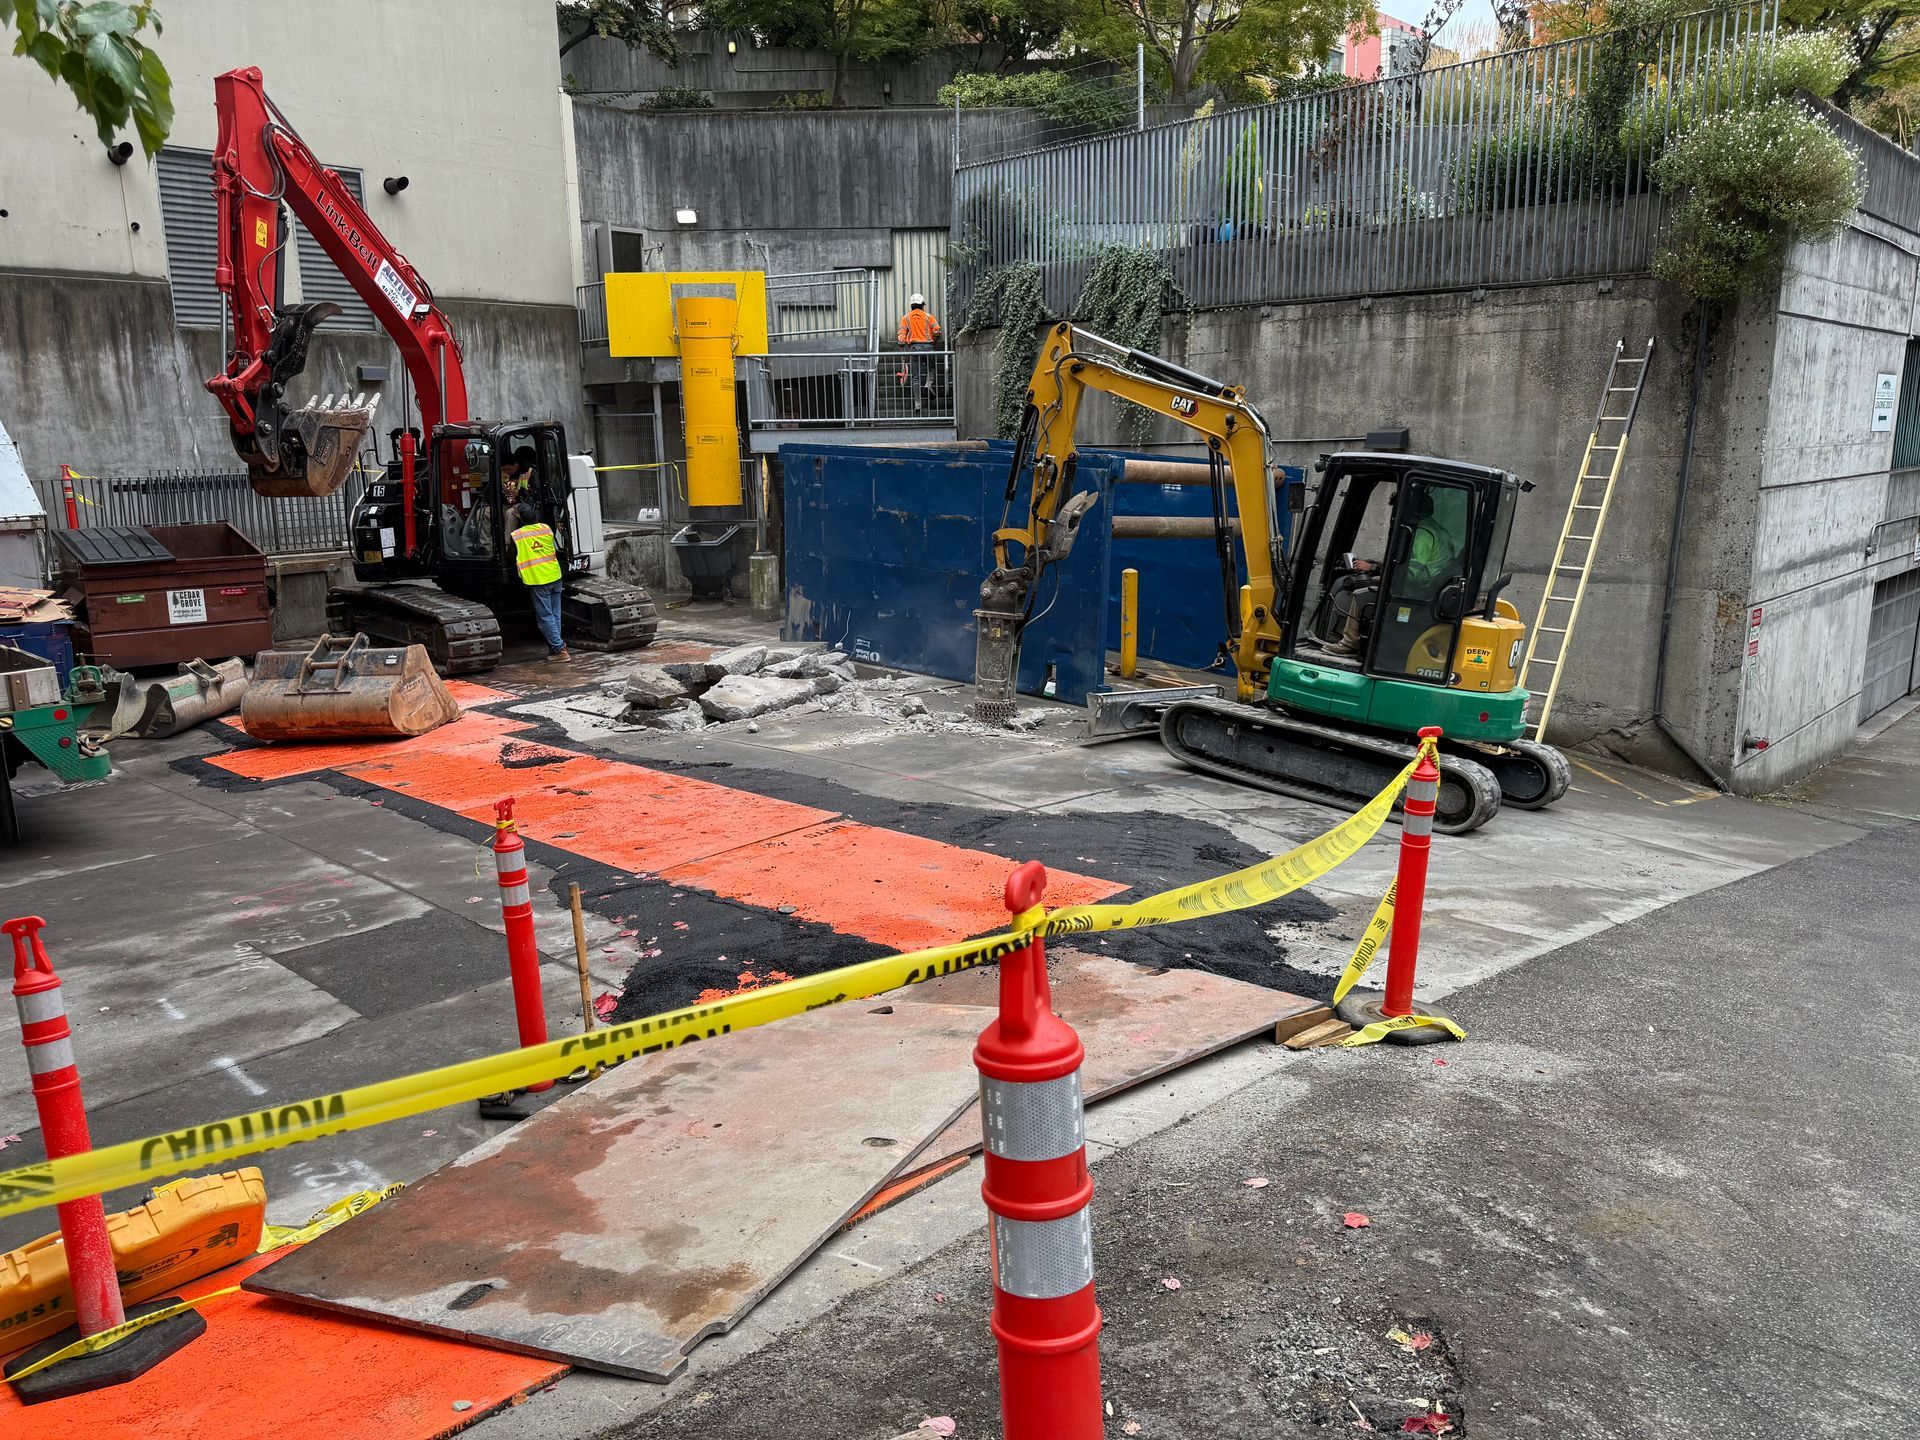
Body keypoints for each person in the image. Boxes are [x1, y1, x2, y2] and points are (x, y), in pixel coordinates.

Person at [1326, 490, 1461, 658]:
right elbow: (1404, 562)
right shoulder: (1436, 530)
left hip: (1418, 589)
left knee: (1361, 593)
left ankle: (1349, 642)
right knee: (1373, 581)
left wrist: (1374, 570)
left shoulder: (1421, 535)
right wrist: (1374, 564)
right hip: (1429, 587)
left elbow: (1410, 573)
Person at [511, 500, 570, 661]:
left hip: (539, 580)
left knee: (545, 617)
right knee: (555, 614)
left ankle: (559, 650)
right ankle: (555, 647)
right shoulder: (546, 528)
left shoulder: (518, 535)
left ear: (520, 520)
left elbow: (511, 552)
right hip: (555, 576)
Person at [897, 292, 942, 412]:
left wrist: (903, 355)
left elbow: (901, 339)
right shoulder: (928, 317)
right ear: (922, 304)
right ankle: (928, 384)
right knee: (931, 369)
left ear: (911, 305)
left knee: (915, 377)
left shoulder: (905, 318)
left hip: (914, 348)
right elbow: (937, 331)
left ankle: (917, 403)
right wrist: (934, 341)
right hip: (928, 347)